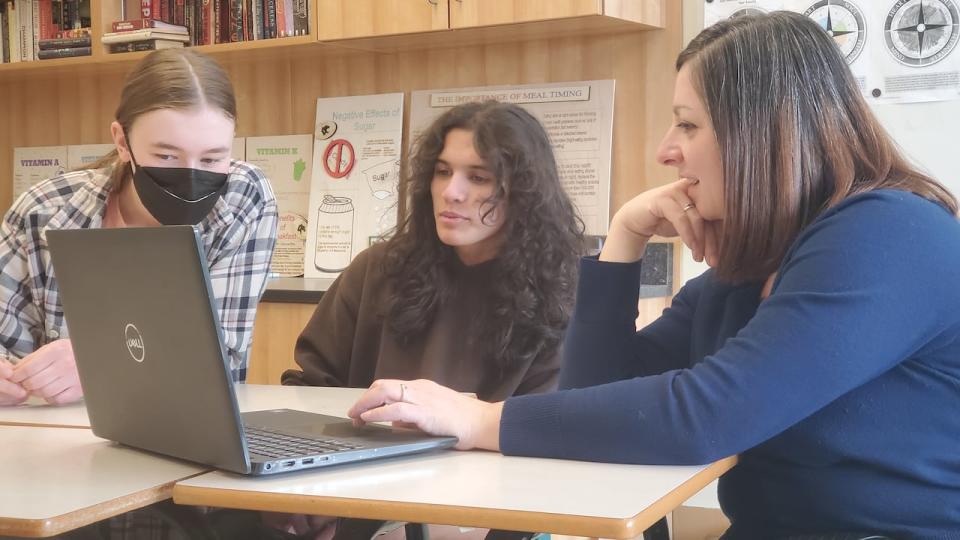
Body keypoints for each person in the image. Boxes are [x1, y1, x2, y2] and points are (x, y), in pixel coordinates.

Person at [346, 11, 960, 540]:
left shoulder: (890, 234)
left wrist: (481, 419)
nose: (667, 149)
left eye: (688, 125)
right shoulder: (747, 271)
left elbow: (705, 416)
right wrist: (623, 239)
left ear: (766, 132)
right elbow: (590, 396)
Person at [281, 100, 584, 539]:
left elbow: (552, 439)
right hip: (362, 502)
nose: (451, 192)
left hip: (498, 514)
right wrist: (306, 497)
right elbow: (310, 392)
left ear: (524, 191)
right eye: (442, 172)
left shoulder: (562, 291)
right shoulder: (377, 269)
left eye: (477, 177)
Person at [0, 49, 277, 407]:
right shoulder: (43, 211)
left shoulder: (242, 199)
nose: (191, 174)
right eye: (166, 156)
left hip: (185, 429)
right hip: (49, 438)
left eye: (211, 158)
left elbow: (220, 354)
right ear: (121, 141)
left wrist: (98, 361)